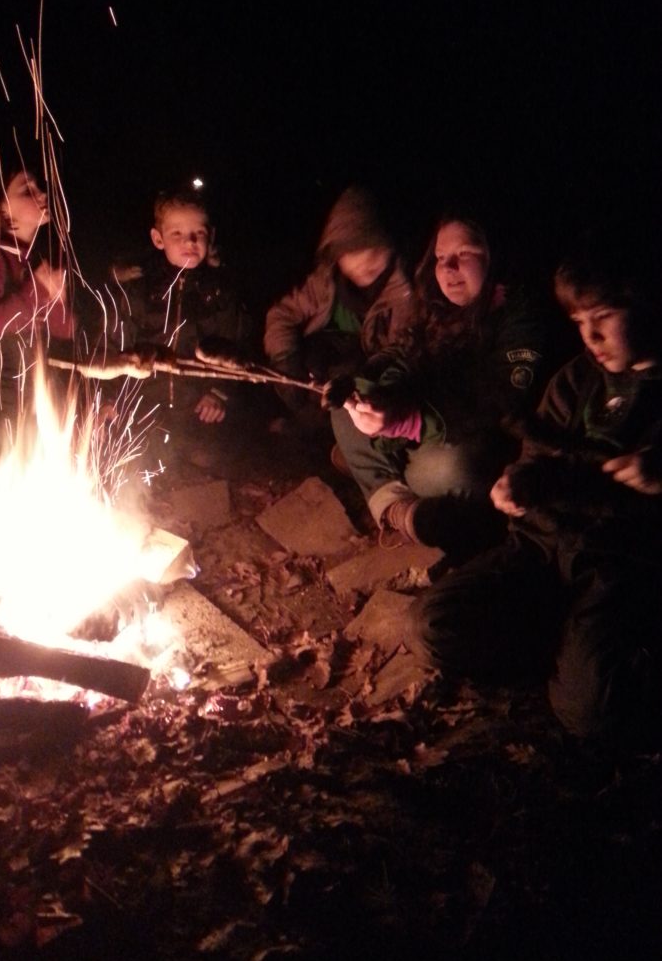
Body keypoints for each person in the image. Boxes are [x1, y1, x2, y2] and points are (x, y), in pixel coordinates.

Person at [405, 249, 662, 747]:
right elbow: (536, 453)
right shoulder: (576, 379)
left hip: (617, 565)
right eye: (580, 321)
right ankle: (565, 643)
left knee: (590, 714)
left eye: (605, 318)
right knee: (431, 625)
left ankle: (595, 656)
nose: (591, 337)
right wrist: (516, 482)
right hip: (541, 548)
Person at [328, 214, 547, 564]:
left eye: (465, 252)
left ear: (493, 255)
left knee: (455, 469)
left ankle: (373, 465)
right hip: (419, 432)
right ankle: (403, 512)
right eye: (441, 258)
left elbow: (496, 400)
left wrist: (408, 419)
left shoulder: (521, 317)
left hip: (479, 447)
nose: (449, 267)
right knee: (343, 403)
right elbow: (402, 354)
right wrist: (369, 382)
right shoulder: (435, 306)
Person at [112, 184, 252, 462]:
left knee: (210, 461)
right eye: (177, 233)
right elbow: (114, 342)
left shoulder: (220, 292)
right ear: (158, 238)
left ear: (210, 236)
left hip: (197, 408)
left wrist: (218, 393)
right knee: (133, 463)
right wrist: (110, 397)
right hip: (144, 405)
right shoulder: (139, 289)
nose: (189, 241)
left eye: (198, 233)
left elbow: (236, 348)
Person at [0, 166, 75, 460]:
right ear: (1, 207)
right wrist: (39, 292)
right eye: (27, 189)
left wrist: (56, 301)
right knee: (6, 460)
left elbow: (61, 330)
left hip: (27, 379)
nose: (42, 193)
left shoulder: (30, 259)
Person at [263, 186, 413, 428]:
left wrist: (359, 379)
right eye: (351, 249)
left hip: (365, 374)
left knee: (347, 377)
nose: (362, 259)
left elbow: (399, 353)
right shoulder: (326, 281)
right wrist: (286, 361)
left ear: (389, 246)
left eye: (372, 246)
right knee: (310, 360)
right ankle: (303, 425)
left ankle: (333, 436)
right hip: (322, 365)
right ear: (336, 253)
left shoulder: (404, 292)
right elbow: (282, 315)